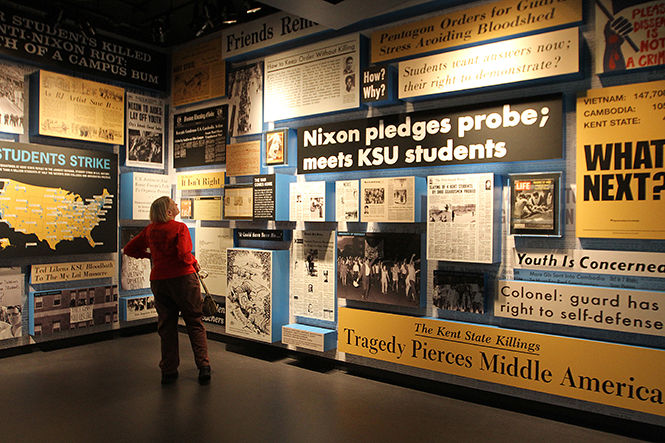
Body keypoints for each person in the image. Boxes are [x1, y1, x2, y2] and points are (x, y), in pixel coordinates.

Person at [123, 196, 211, 385]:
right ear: (169, 211)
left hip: (160, 281)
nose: (177, 205)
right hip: (183, 280)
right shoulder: (180, 228)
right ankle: (203, 366)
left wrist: (149, 256)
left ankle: (169, 370)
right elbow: (183, 254)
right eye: (174, 204)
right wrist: (193, 262)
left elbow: (129, 248)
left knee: (167, 326)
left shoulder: (150, 230)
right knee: (194, 322)